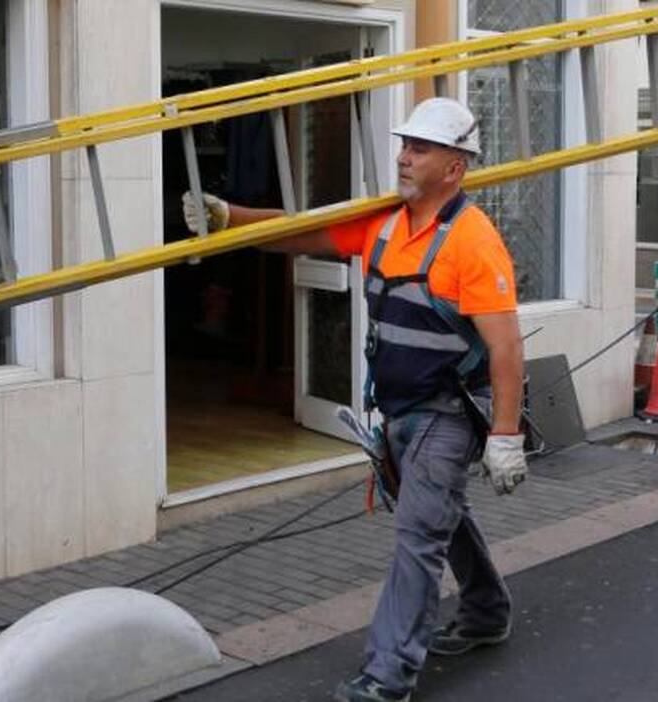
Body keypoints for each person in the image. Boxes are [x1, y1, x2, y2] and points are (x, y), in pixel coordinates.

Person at [183, 97, 527, 702]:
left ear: (455, 167)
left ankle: (387, 674)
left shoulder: (474, 243)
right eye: (405, 144)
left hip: (447, 414)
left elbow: (505, 349)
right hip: (396, 411)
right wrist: (228, 215)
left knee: (419, 536)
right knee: (442, 514)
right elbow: (302, 232)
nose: (404, 156)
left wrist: (504, 436)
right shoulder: (385, 223)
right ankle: (486, 611)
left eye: (420, 148)